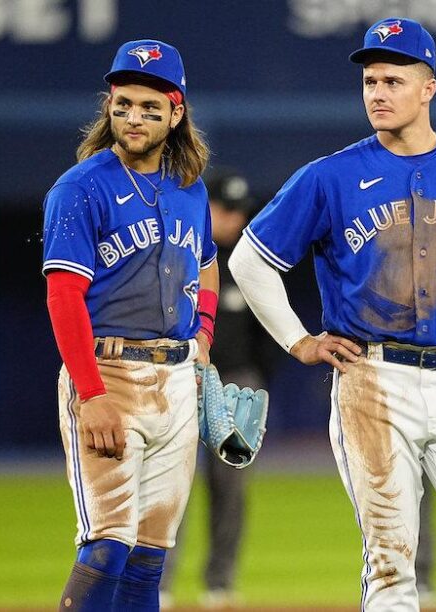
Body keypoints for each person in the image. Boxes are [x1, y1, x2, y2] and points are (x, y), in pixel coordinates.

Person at [228, 17, 436, 611]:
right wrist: (300, 340)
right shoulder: (330, 176)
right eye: (370, 82)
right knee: (390, 558)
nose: (377, 93)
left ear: (428, 88)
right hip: (372, 382)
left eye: (393, 81)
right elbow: (249, 260)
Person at [41, 38, 217, 611]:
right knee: (106, 546)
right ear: (108, 107)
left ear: (176, 112)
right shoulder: (80, 188)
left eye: (149, 106)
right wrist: (90, 395)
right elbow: (63, 295)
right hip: (108, 373)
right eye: (123, 104)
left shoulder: (189, 186)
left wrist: (204, 337)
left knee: (149, 559)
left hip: (177, 379)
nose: (134, 117)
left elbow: (207, 264)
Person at [160, 168, 273, 610]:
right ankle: (159, 583)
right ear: (206, 208)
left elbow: (269, 333)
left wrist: (257, 381)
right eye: (227, 209)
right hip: (184, 379)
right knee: (173, 483)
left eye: (240, 211)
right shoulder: (181, 256)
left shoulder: (249, 264)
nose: (235, 219)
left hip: (236, 384)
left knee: (231, 489)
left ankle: (220, 583)